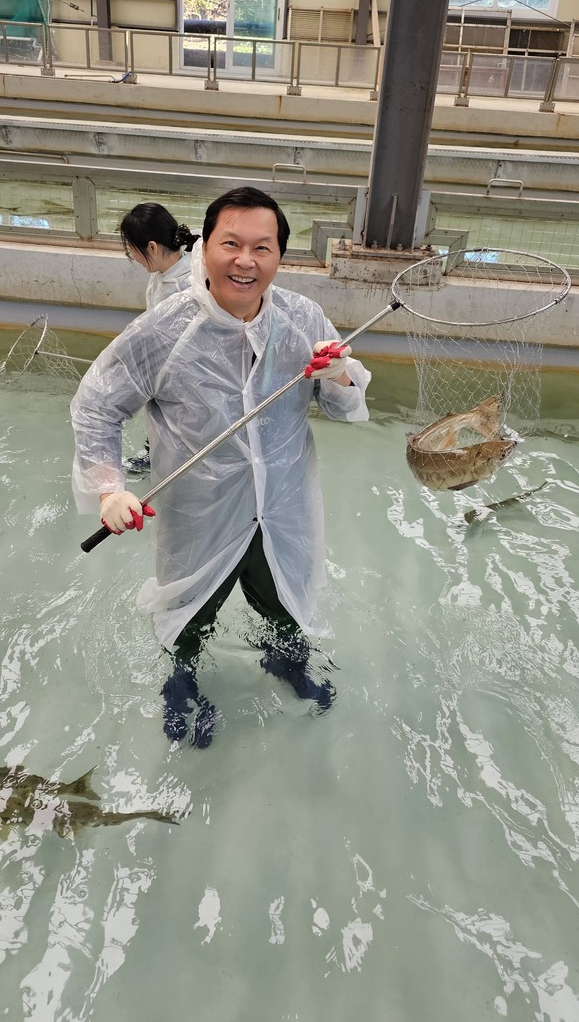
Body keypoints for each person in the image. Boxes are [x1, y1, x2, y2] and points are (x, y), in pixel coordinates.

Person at [72, 187, 371, 748]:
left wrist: (337, 374)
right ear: (204, 247)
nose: (246, 261)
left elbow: (345, 403)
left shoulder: (302, 317)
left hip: (282, 505)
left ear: (280, 255)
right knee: (190, 610)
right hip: (200, 511)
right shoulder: (163, 329)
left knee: (286, 601)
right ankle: (182, 679)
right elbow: (96, 405)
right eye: (231, 244)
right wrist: (110, 489)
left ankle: (287, 663)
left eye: (263, 247)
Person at [119, 202, 201, 473]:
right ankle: (153, 450)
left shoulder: (185, 286)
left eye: (132, 249)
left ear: (152, 247)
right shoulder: (164, 271)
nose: (133, 256)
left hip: (185, 371)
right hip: (163, 365)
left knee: (179, 419)